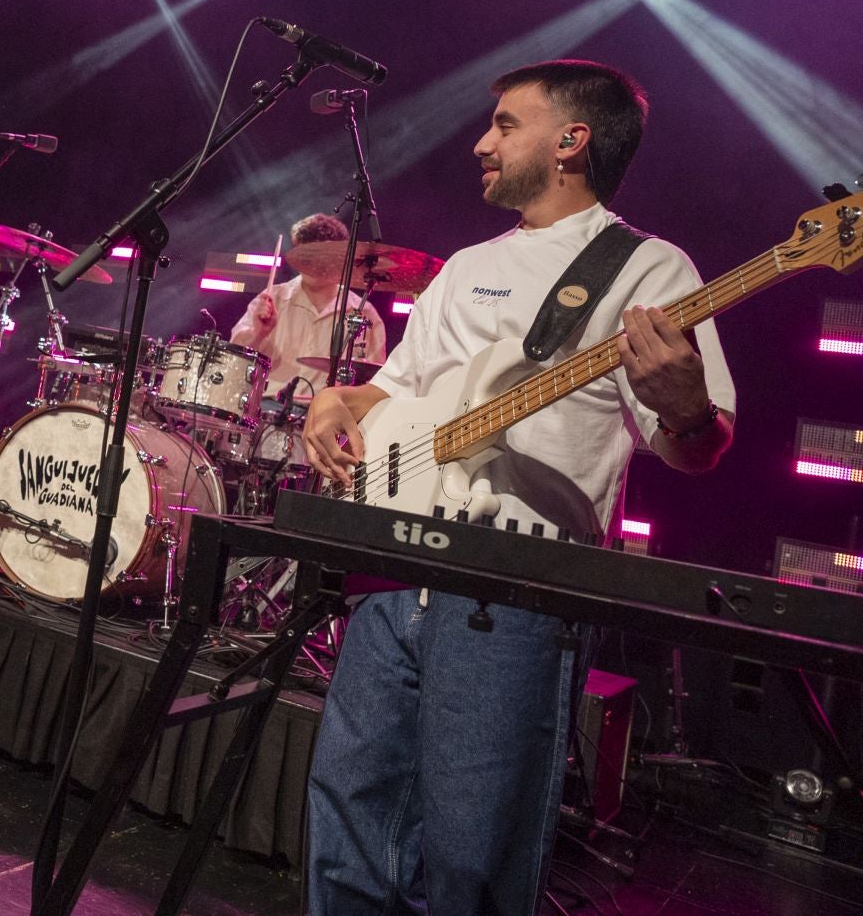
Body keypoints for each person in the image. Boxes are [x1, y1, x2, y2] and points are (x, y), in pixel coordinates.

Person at [298, 60, 734, 914]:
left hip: (519, 589)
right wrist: (335, 399)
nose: (479, 142)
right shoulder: (463, 267)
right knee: (349, 818)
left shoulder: (649, 269)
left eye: (504, 124)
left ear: (571, 141)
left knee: (475, 852)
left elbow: (697, 450)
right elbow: (396, 388)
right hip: (395, 567)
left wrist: (687, 410)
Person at [230, 211, 389, 398]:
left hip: (327, 419)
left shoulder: (364, 313)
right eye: (306, 255)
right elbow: (233, 364)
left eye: (321, 256)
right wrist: (258, 334)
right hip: (267, 412)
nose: (313, 263)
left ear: (341, 258)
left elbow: (375, 384)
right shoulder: (272, 299)